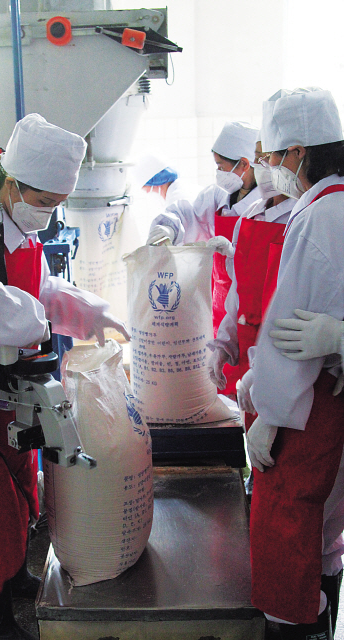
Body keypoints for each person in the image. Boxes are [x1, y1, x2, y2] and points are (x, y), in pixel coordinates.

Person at [0, 113, 130, 640]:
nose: (47, 214)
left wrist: (89, 312)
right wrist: (30, 317)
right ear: (12, 184)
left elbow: (42, 289)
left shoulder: (18, 232)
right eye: (43, 202)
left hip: (6, 392)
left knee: (14, 493)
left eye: (56, 204)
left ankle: (13, 580)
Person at [246, 88, 344, 639]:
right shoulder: (334, 207)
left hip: (307, 411)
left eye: (273, 156)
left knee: (287, 529)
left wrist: (269, 412)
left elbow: (290, 330)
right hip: (331, 395)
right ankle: (323, 617)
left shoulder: (318, 220)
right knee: (325, 528)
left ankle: (296, 627)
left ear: (299, 154)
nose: (268, 168)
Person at [147, 121, 260, 396]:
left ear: (244, 165)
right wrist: (167, 227)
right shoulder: (218, 196)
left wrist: (234, 255)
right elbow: (189, 214)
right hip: (221, 305)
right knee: (220, 380)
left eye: (221, 165)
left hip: (251, 308)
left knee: (247, 385)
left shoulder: (265, 205)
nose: (218, 171)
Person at [207, 135, 294, 431]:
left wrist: (263, 371)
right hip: (247, 347)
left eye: (266, 157)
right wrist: (223, 344)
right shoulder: (251, 213)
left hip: (285, 358)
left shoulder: (301, 216)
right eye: (257, 157)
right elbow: (239, 292)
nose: (262, 165)